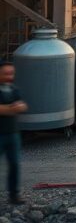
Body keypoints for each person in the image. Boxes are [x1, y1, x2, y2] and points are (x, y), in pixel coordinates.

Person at [0, 62, 26, 204]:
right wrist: (13, 108)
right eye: (6, 73)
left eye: (11, 73)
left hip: (13, 133)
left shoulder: (13, 89)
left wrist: (16, 107)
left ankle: (14, 195)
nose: (10, 77)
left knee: (15, 164)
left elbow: (23, 106)